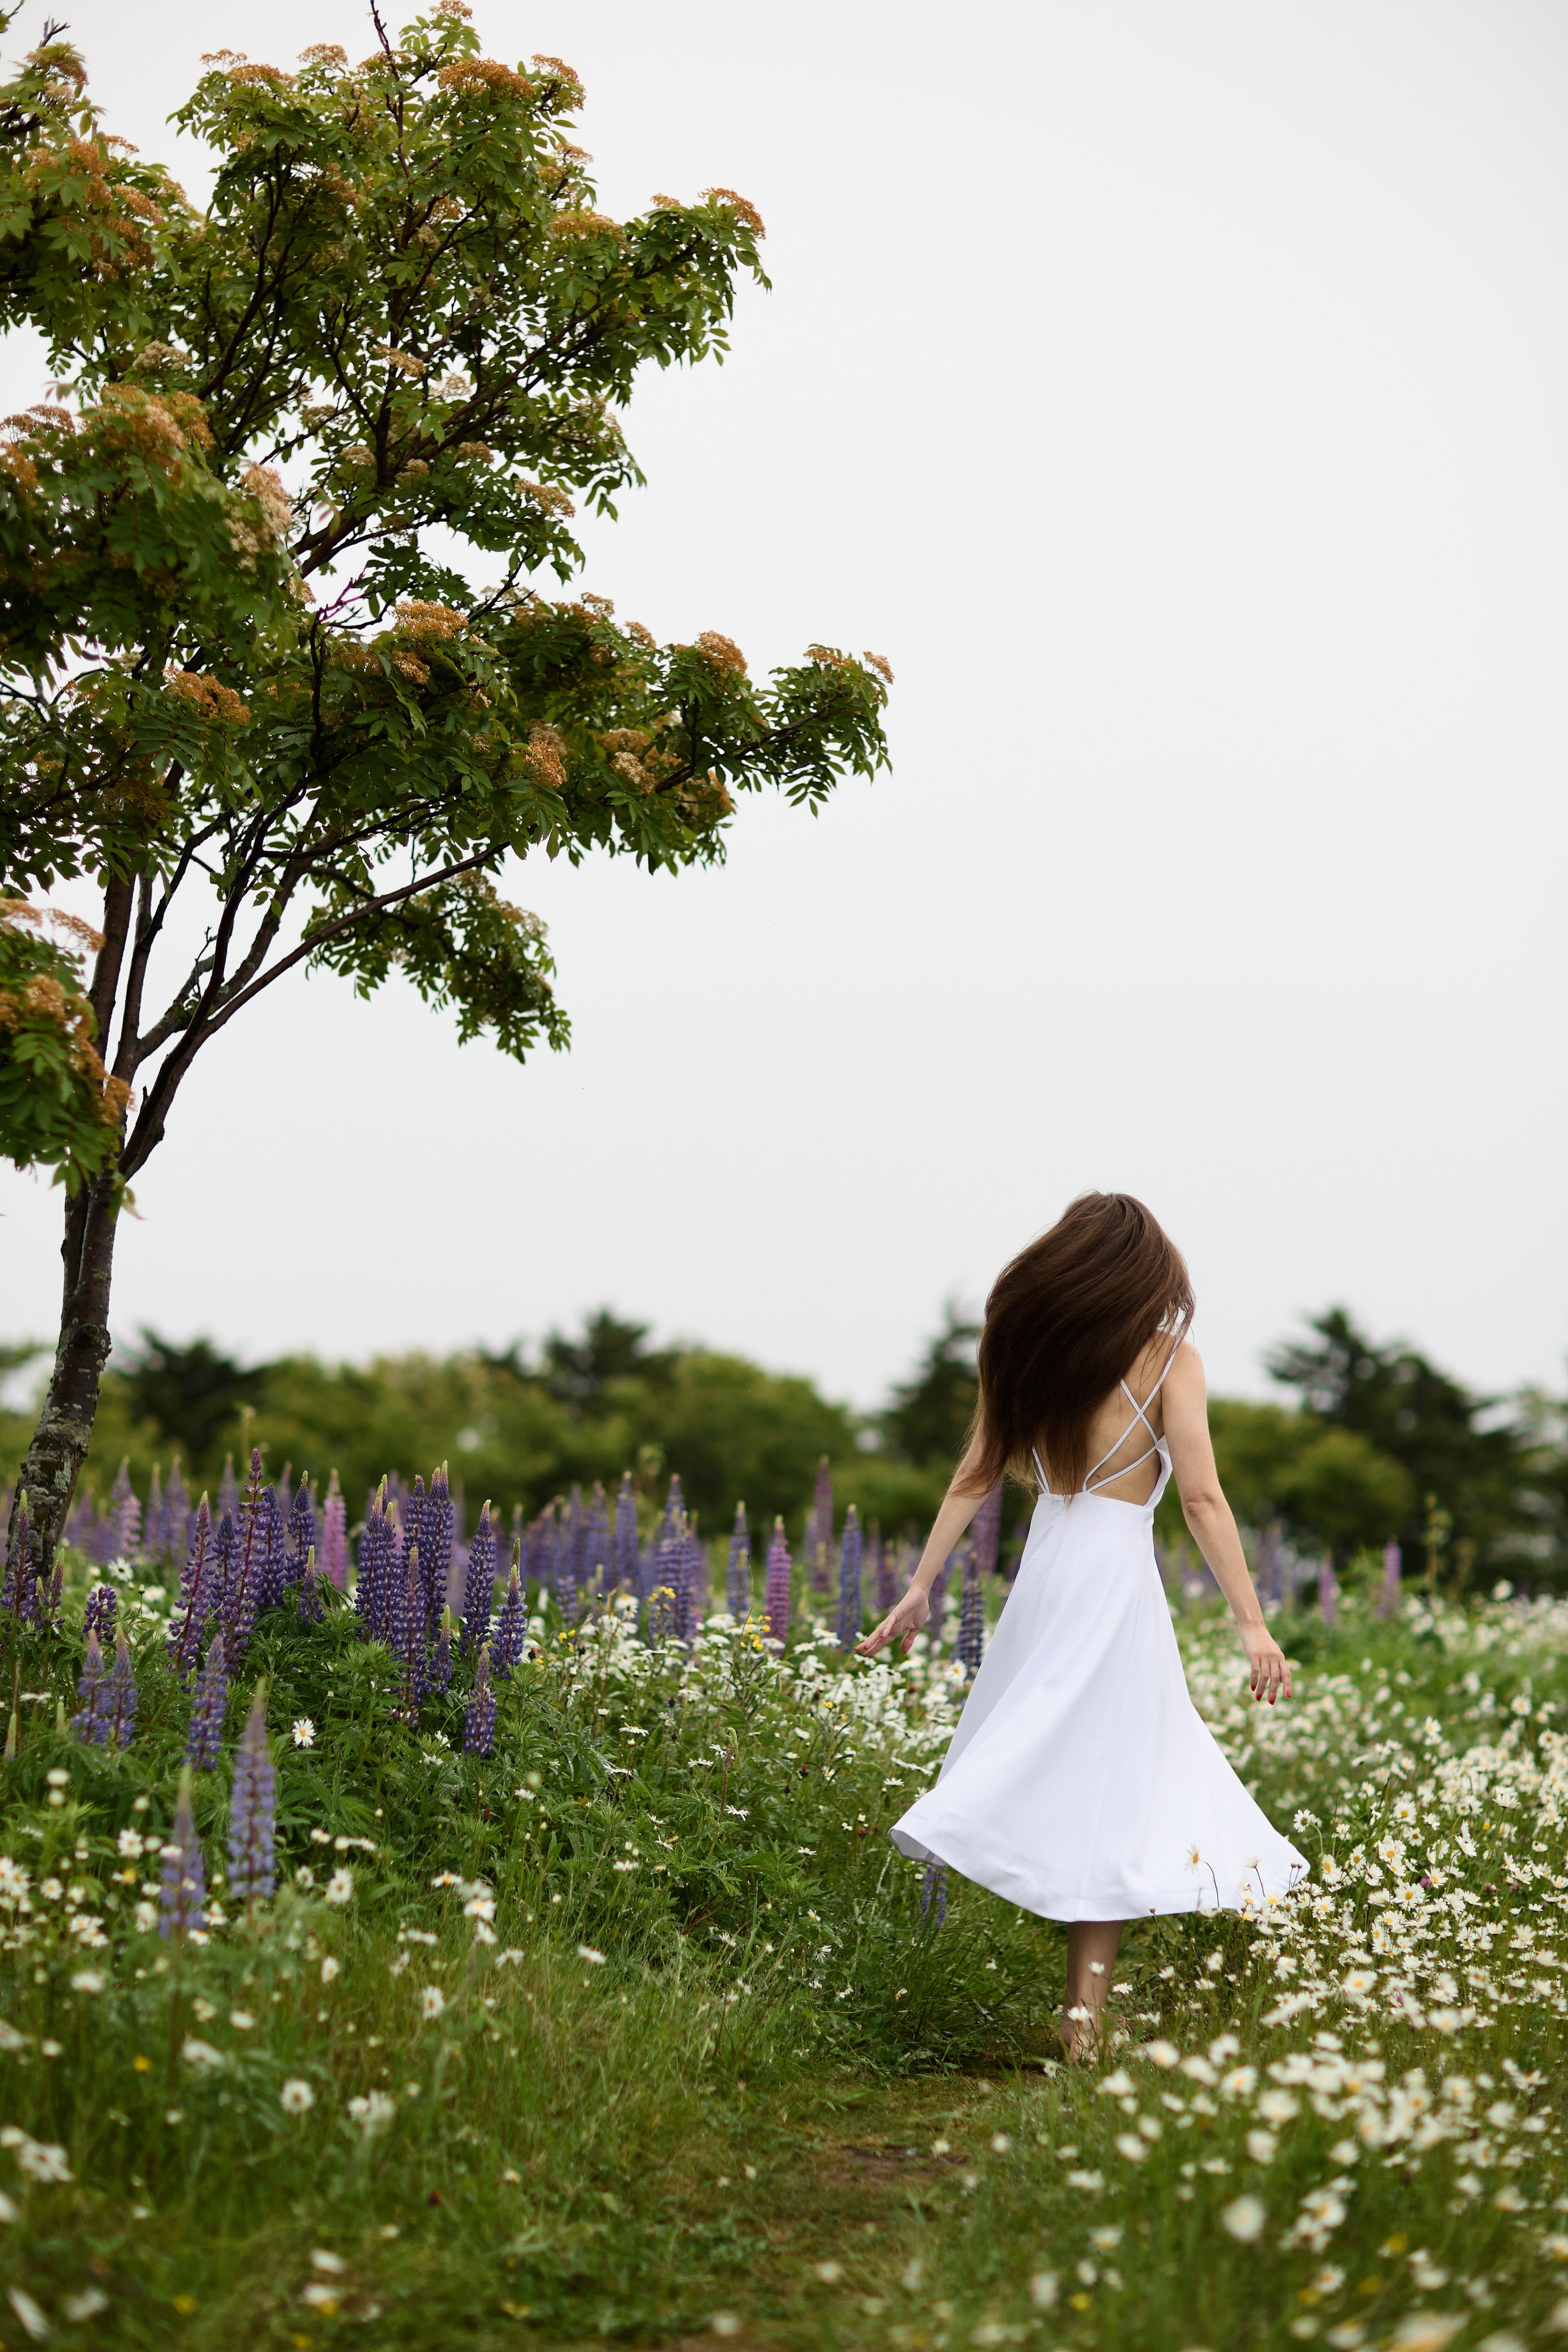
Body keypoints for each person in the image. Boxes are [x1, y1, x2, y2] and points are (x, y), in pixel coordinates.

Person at [858, 1192, 1305, 2060]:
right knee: (1115, 1777)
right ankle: (1083, 2021)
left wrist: (920, 1584)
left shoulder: (1033, 1358)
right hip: (1114, 1581)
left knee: (1057, 1756)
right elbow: (1205, 1499)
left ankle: (1075, 2012)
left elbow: (974, 1475)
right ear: (1148, 1275)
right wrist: (1252, 1624)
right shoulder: (1171, 1360)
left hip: (1047, 1572)